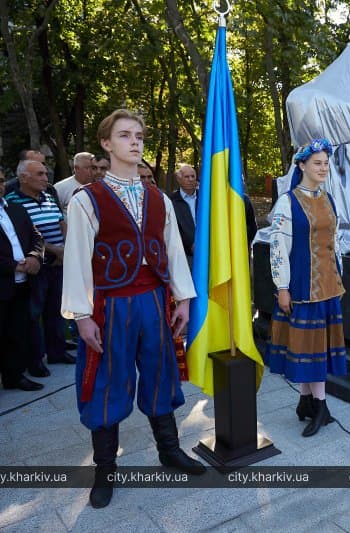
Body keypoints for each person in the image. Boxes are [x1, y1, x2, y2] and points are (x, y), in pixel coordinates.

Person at [62, 109, 204, 509]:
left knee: (161, 373)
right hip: (110, 305)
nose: (135, 141)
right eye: (125, 135)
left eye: (139, 135)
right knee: (107, 380)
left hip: (155, 300)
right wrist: (82, 314)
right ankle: (105, 471)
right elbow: (75, 259)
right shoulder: (86, 200)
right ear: (107, 144)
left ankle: (170, 451)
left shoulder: (158, 197)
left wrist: (185, 298)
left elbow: (174, 251)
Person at [267, 138, 346, 438]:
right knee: (307, 348)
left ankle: (305, 401)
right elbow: (278, 247)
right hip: (301, 286)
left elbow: (335, 241)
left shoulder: (328, 199)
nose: (323, 167)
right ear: (301, 165)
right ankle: (320, 406)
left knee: (317, 348)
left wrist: (340, 274)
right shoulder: (287, 201)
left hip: (328, 285)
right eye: (317, 163)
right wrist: (282, 287)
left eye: (326, 163)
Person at [6, 159, 73, 375]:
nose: (46, 178)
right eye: (40, 174)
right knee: (34, 314)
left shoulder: (48, 196)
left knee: (56, 310)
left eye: (45, 173)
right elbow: (26, 236)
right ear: (24, 178)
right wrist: (55, 250)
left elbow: (60, 222)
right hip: (38, 265)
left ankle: (57, 351)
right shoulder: (13, 202)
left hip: (58, 263)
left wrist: (66, 248)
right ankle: (35, 360)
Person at [0, 170, 45, 392]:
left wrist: (35, 256)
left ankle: (14, 376)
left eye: (0, 181)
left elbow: (37, 237)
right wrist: (12, 265)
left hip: (22, 284)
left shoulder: (16, 209)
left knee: (17, 332)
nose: (0, 185)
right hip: (4, 280)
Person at [169, 164, 198, 267]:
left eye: (192, 176)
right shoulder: (171, 201)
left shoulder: (206, 199)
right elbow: (172, 228)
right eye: (186, 177)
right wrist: (189, 245)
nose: (190, 179)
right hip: (184, 255)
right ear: (179, 179)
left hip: (209, 250)